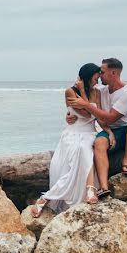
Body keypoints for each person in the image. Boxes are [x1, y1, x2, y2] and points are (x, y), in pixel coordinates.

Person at [31, 63, 105, 217]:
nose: (97, 81)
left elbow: (94, 114)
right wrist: (84, 95)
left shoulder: (97, 92)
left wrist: (84, 94)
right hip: (73, 133)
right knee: (80, 150)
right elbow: (87, 114)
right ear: (88, 75)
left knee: (84, 148)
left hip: (90, 132)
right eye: (96, 77)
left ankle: (46, 198)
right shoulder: (70, 91)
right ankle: (89, 190)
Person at [67, 57, 127, 198]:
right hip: (111, 131)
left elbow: (110, 117)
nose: (99, 74)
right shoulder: (101, 90)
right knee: (98, 143)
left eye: (102, 72)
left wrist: (85, 106)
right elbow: (88, 105)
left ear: (113, 73)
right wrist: (70, 114)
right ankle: (103, 187)